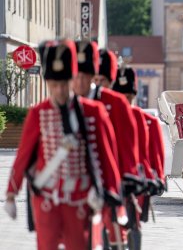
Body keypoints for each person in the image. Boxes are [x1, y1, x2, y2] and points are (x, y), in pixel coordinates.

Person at [4, 39, 121, 250]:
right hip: (47, 197)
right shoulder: (38, 113)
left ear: (71, 80)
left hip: (80, 198)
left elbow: (106, 156)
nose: (59, 90)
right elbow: (24, 154)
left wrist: (109, 191)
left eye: (64, 84)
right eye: (54, 85)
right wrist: (11, 193)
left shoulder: (94, 111)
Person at [73, 41, 142, 249]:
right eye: (96, 79)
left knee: (112, 230)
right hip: (77, 181)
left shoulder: (117, 103)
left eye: (102, 79)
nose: (97, 83)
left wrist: (128, 176)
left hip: (114, 177)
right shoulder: (69, 103)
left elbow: (128, 146)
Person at [112, 63, 166, 221]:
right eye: (121, 97)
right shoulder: (105, 118)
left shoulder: (148, 121)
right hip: (112, 180)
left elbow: (155, 155)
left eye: (128, 97)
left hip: (138, 180)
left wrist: (158, 178)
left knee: (134, 223)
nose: (125, 101)